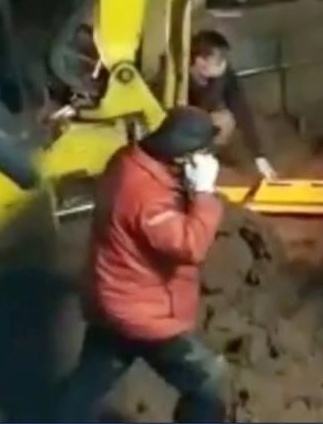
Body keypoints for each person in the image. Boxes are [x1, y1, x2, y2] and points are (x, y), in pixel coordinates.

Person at [56, 107, 228, 423]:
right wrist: (204, 193)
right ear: (182, 157)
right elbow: (190, 246)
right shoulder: (146, 196)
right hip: (141, 312)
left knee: (88, 384)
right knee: (208, 379)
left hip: (110, 297)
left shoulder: (127, 160)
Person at [186, 30, 276, 180]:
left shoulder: (224, 74)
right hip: (183, 125)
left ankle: (207, 158)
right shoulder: (174, 76)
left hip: (204, 120)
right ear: (200, 62)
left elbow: (241, 109)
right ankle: (190, 165)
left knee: (225, 120)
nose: (224, 64)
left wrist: (259, 155)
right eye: (219, 61)